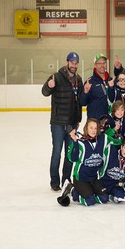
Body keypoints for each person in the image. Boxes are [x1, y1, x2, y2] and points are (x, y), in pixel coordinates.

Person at [42, 51, 84, 192]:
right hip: (58, 123)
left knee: (70, 154)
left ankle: (66, 180)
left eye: (76, 62)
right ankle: (54, 182)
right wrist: (49, 85)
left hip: (72, 124)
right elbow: (45, 92)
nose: (74, 65)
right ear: (67, 62)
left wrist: (78, 120)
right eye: (72, 62)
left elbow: (80, 102)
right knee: (57, 153)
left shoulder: (78, 79)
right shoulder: (57, 77)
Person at [58, 118, 121, 207]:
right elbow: (73, 158)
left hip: (93, 178)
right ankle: (72, 189)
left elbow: (118, 143)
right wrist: (75, 141)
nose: (93, 130)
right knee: (90, 201)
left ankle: (87, 192)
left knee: (104, 198)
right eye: (91, 128)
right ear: (86, 128)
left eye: (95, 128)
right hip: (81, 179)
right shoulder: (80, 142)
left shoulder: (103, 139)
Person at [99, 138, 125, 203]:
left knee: (120, 196)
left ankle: (110, 196)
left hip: (115, 186)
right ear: (121, 147)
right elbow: (103, 139)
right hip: (103, 183)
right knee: (103, 199)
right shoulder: (111, 152)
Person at [80, 53, 112, 120]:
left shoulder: (110, 80)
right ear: (95, 65)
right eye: (99, 63)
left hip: (109, 121)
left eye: (104, 63)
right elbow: (83, 103)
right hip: (95, 122)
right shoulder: (90, 82)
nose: (102, 65)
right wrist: (85, 92)